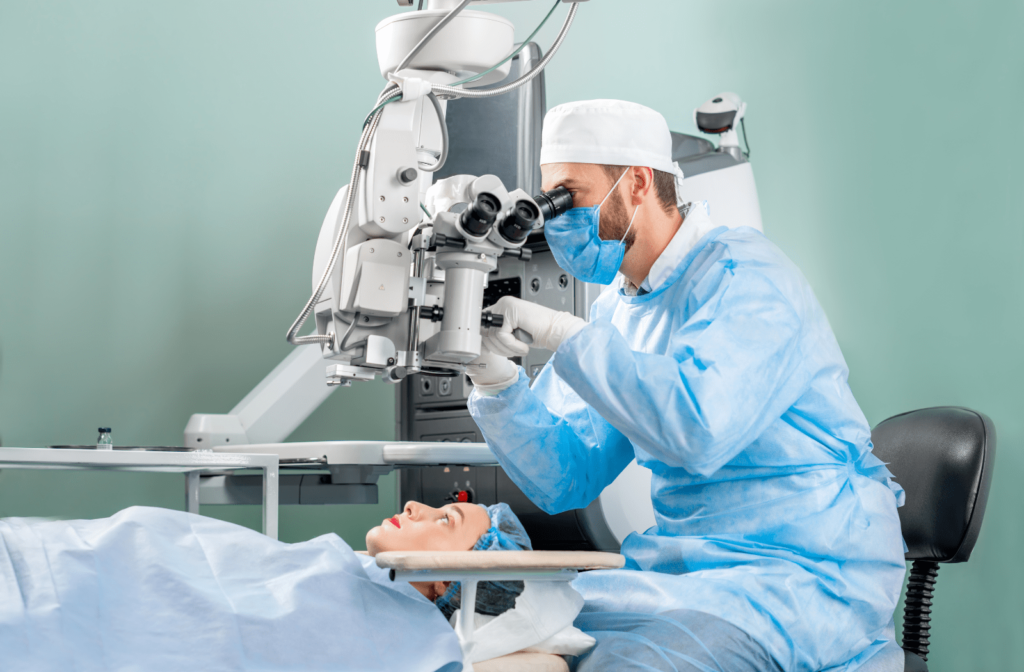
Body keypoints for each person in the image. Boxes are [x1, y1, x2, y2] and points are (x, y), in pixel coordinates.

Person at [465, 99, 907, 672]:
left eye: (568, 197)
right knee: (494, 638)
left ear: (639, 183)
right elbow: (565, 474)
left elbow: (698, 428)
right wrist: (497, 382)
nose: (557, 220)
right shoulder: (619, 314)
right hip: (687, 577)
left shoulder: (748, 278)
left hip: (800, 577)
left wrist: (563, 335)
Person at [0, 500, 531, 672]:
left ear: (455, 578)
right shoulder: (337, 565)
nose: (415, 506)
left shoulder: (406, 640)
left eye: (445, 521)